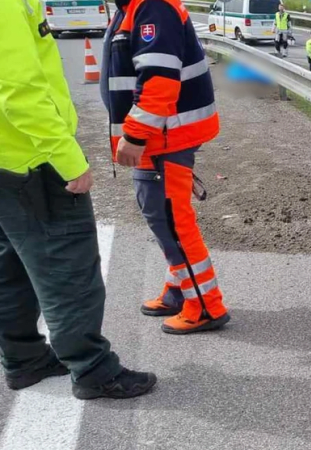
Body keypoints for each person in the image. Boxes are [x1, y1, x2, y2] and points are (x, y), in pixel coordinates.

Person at [0, 0, 156, 399]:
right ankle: (92, 370)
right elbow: (18, 91)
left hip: (6, 159)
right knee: (68, 267)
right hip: (32, 160)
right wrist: (67, 159)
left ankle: (24, 360)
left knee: (10, 267)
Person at [101, 0, 231, 334]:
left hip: (164, 136)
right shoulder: (132, 8)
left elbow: (159, 77)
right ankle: (179, 290)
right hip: (162, 135)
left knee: (171, 221)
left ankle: (205, 305)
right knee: (164, 217)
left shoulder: (151, 7)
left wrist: (136, 133)